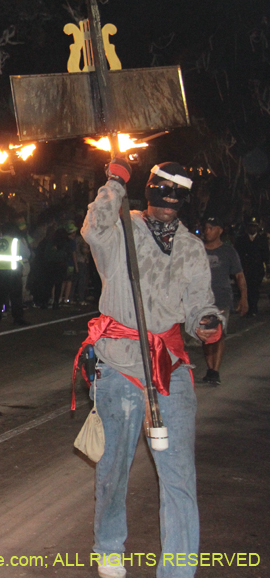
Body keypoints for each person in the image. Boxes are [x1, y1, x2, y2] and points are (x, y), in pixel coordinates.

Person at [80, 160, 220, 578]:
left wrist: (206, 322)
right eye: (161, 196)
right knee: (113, 468)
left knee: (179, 476)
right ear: (149, 191)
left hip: (168, 365)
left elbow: (200, 303)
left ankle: (177, 570)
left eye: (175, 202)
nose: (166, 208)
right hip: (119, 363)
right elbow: (92, 229)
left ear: (183, 203)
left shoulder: (193, 248)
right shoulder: (120, 229)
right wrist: (112, 184)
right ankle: (108, 546)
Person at [200, 217, 247, 386]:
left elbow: (239, 275)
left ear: (220, 230)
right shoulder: (198, 250)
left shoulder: (228, 251)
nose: (207, 231)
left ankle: (215, 371)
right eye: (206, 228)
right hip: (202, 300)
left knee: (219, 335)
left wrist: (244, 298)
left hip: (221, 299)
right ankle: (209, 367)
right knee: (206, 336)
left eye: (211, 228)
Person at [233, 217, 268, 317]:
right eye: (251, 226)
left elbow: (265, 254)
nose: (253, 228)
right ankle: (245, 308)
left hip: (257, 269)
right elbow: (237, 254)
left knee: (254, 289)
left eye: (255, 226)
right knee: (244, 288)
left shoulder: (262, 239)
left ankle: (253, 308)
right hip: (245, 269)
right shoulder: (241, 239)